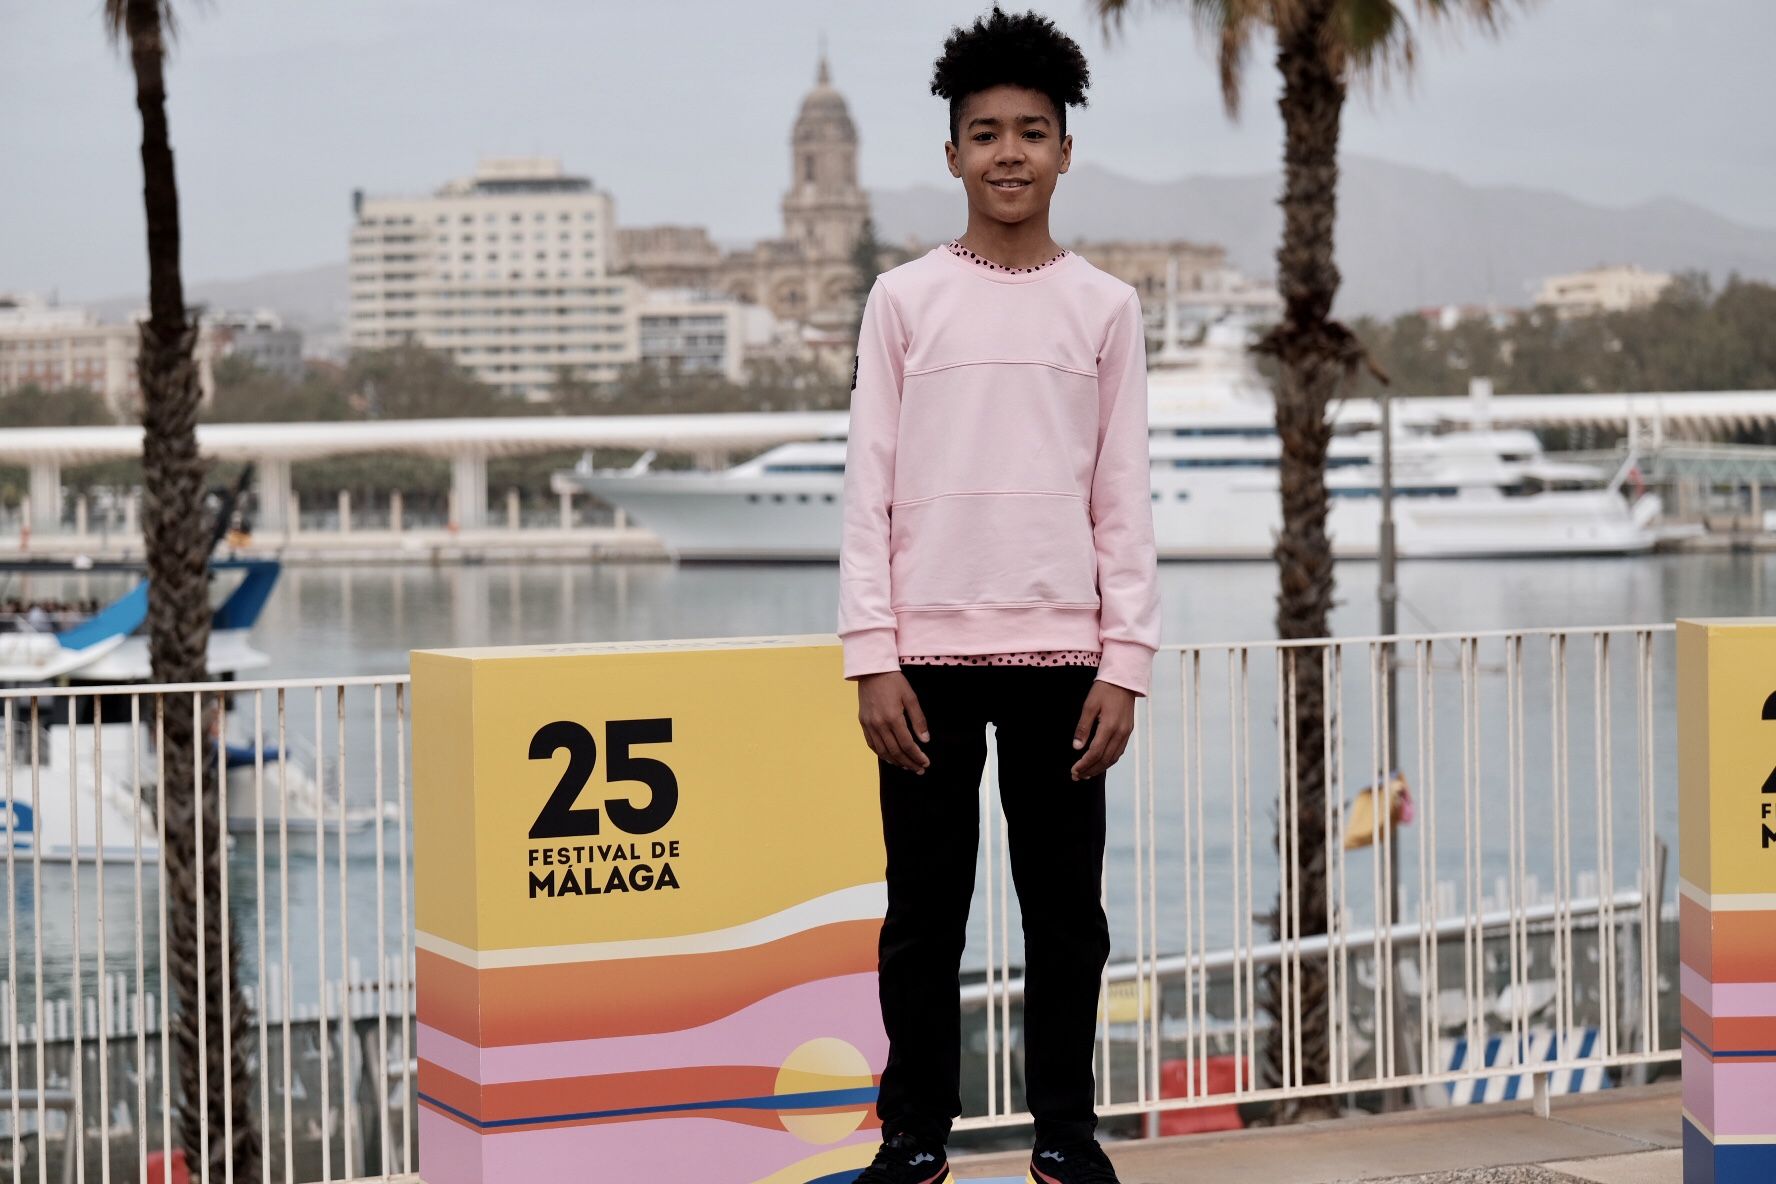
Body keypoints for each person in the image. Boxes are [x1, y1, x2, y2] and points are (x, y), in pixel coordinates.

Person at [836, 8, 1160, 1183]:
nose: (1009, 153)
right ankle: (914, 1134)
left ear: (1066, 150)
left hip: (1064, 662)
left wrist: (1125, 660)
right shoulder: (904, 300)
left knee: (1065, 915)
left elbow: (1121, 497)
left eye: (1032, 131)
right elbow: (866, 483)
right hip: (922, 660)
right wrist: (871, 652)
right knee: (924, 914)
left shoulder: (1105, 308)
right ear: (953, 155)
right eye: (986, 134)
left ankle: (1065, 1134)